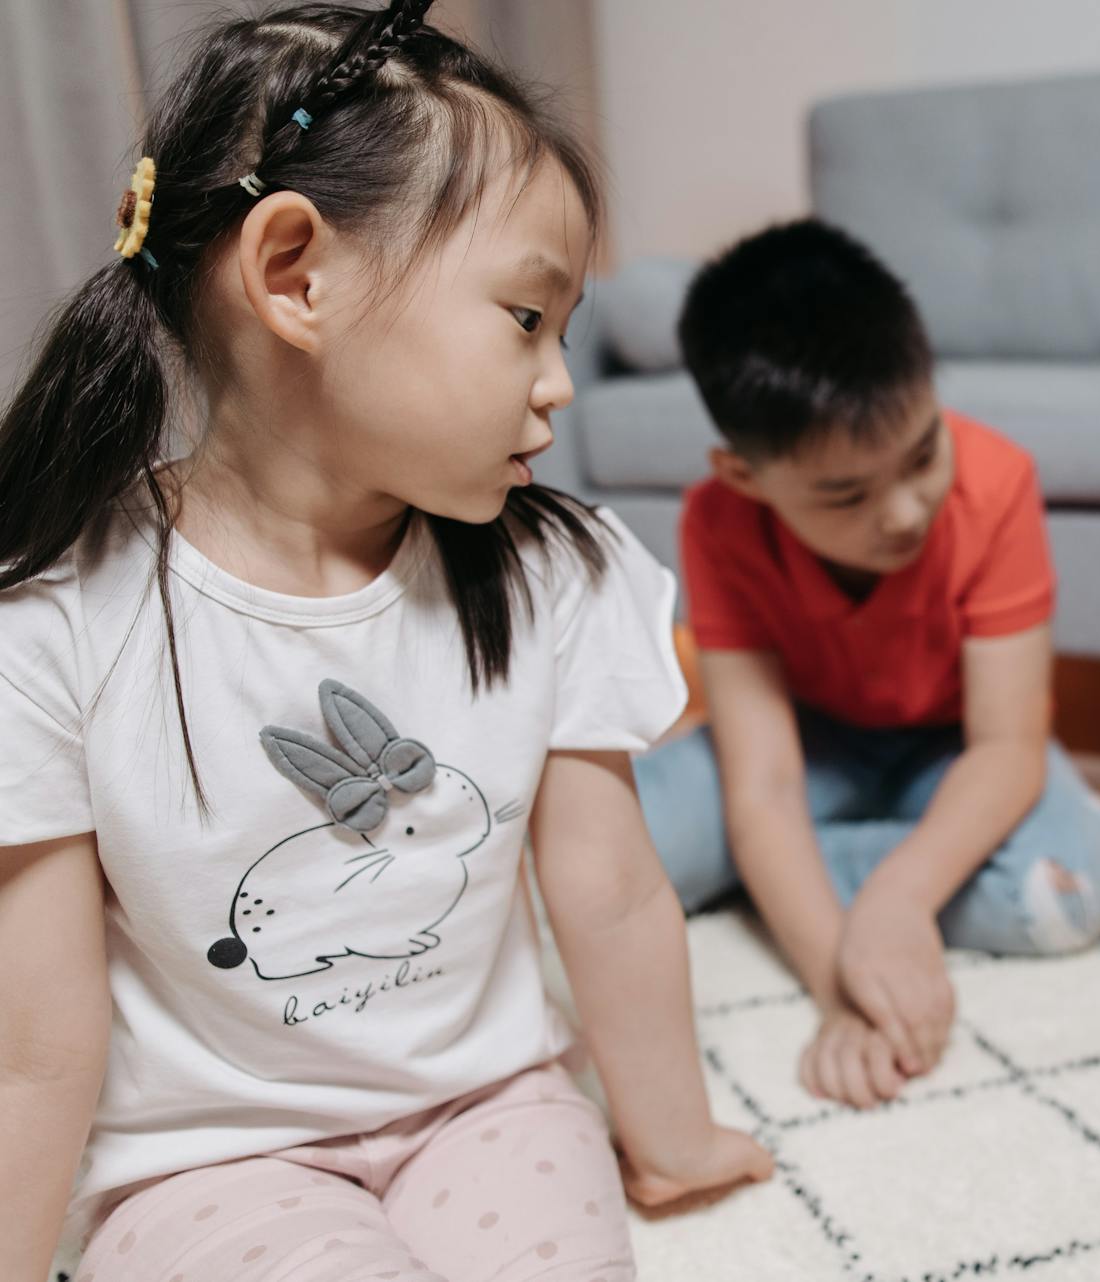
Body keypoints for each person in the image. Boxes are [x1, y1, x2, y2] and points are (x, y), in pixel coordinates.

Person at [0, 5, 772, 1280]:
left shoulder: (554, 571)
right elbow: (37, 1033)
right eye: (527, 318)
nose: (559, 381)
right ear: (297, 273)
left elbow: (615, 894)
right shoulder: (56, 621)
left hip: (491, 1107)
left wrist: (675, 1141)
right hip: (210, 1160)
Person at [633, 218, 1100, 1111]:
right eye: (846, 494)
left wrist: (898, 901)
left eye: (922, 455)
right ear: (744, 477)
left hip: (955, 753)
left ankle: (783, 878)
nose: (903, 512)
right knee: (618, 852)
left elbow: (1007, 748)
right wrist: (841, 984)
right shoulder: (715, 521)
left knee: (1064, 896)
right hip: (811, 750)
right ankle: (792, 878)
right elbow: (766, 780)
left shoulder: (998, 480)